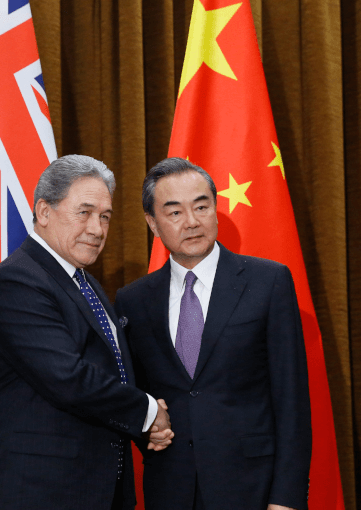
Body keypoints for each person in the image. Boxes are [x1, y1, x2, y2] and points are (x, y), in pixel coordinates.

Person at [0, 155, 173, 510]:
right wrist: (149, 412)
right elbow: (68, 377)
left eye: (105, 216)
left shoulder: (85, 284)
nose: (97, 228)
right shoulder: (18, 280)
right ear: (44, 212)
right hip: (33, 490)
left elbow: (113, 371)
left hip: (92, 489)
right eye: (84, 212)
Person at [114, 157, 312, 510]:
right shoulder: (133, 300)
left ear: (215, 210)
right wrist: (147, 432)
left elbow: (292, 402)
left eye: (201, 206)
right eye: (174, 213)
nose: (191, 222)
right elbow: (138, 396)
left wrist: (287, 500)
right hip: (169, 490)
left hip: (253, 490)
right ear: (153, 224)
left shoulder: (268, 283)